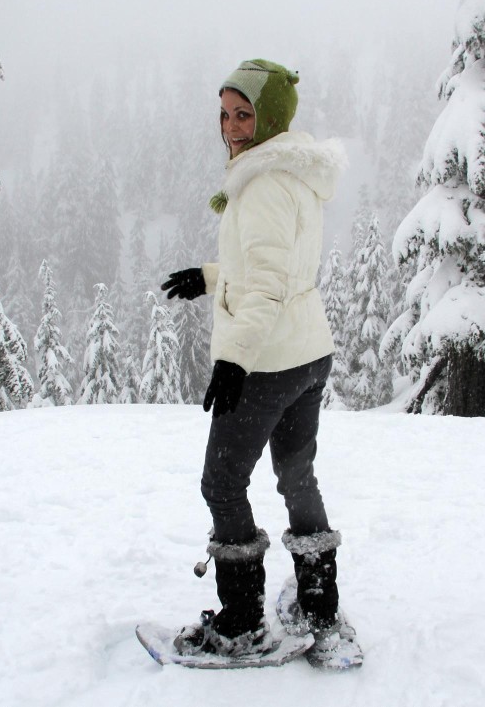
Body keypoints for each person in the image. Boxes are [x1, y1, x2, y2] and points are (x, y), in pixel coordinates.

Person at [161, 59, 355, 665]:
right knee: (297, 477)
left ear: (268, 116)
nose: (231, 125)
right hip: (308, 353)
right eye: (224, 113)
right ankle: (319, 608)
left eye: (243, 113)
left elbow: (268, 284)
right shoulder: (290, 170)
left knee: (221, 482)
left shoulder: (265, 182)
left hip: (269, 363)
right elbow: (278, 267)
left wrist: (235, 360)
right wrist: (212, 276)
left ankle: (243, 622)